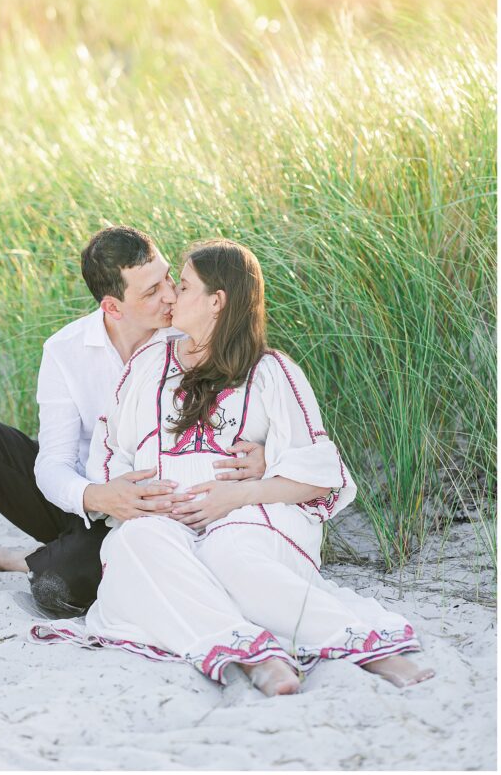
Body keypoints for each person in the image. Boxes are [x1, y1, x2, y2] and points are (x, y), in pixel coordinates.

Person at [31, 239, 436, 696]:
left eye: (180, 286)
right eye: (165, 287)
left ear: (216, 301)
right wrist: (125, 496)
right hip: (169, 523)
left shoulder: (271, 371)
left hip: (250, 514)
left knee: (229, 555)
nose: (170, 296)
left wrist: (239, 493)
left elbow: (320, 474)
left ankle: (369, 648)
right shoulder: (148, 364)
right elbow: (111, 451)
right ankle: (251, 650)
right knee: (134, 547)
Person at [0, 227, 266, 625]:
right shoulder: (66, 350)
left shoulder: (186, 337)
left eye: (169, 279)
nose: (171, 296)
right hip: (79, 497)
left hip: (147, 509)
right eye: (152, 291)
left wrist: (262, 450)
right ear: (112, 307)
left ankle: (31, 559)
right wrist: (96, 495)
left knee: (59, 586)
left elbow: (249, 397)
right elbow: (52, 463)